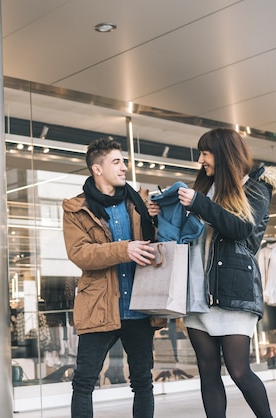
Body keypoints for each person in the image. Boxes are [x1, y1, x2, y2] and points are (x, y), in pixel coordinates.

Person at [150, 128, 276, 418]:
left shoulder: (256, 187)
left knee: (238, 370)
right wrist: (159, 213)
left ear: (223, 153)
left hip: (233, 291)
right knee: (208, 371)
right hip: (197, 291)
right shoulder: (203, 188)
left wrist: (200, 204)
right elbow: (182, 234)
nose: (201, 160)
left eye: (205, 153)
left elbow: (241, 229)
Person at [62, 137, 164, 418]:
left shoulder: (140, 203)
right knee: (83, 382)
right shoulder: (76, 209)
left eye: (124, 161)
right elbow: (80, 253)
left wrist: (159, 216)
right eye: (117, 162)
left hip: (140, 308)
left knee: (143, 382)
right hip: (99, 307)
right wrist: (124, 249)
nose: (124, 167)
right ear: (97, 168)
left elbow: (161, 242)